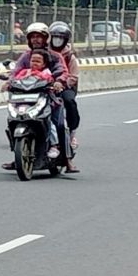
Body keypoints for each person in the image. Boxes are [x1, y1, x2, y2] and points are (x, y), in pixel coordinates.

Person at [1, 22, 69, 170]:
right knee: (13, 120)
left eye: (39, 37)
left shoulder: (54, 56)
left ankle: (63, 155)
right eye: (33, 37)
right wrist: (9, 82)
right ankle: (18, 154)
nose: (36, 40)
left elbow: (62, 71)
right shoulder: (26, 56)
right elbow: (16, 72)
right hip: (25, 96)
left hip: (48, 96)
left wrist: (58, 82)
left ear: (46, 38)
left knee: (58, 124)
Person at [12, 49, 61, 158]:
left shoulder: (46, 74)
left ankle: (54, 145)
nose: (34, 63)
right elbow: (15, 80)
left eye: (38, 61)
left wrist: (55, 85)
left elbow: (51, 82)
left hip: (41, 102)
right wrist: (9, 84)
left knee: (50, 123)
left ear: (44, 64)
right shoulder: (24, 73)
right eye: (33, 60)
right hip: (25, 101)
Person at [48, 21, 80, 170]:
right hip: (44, 86)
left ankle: (70, 138)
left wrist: (62, 84)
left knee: (67, 105)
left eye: (60, 38)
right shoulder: (43, 52)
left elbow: (73, 77)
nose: (57, 41)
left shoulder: (69, 56)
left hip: (64, 86)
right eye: (55, 37)